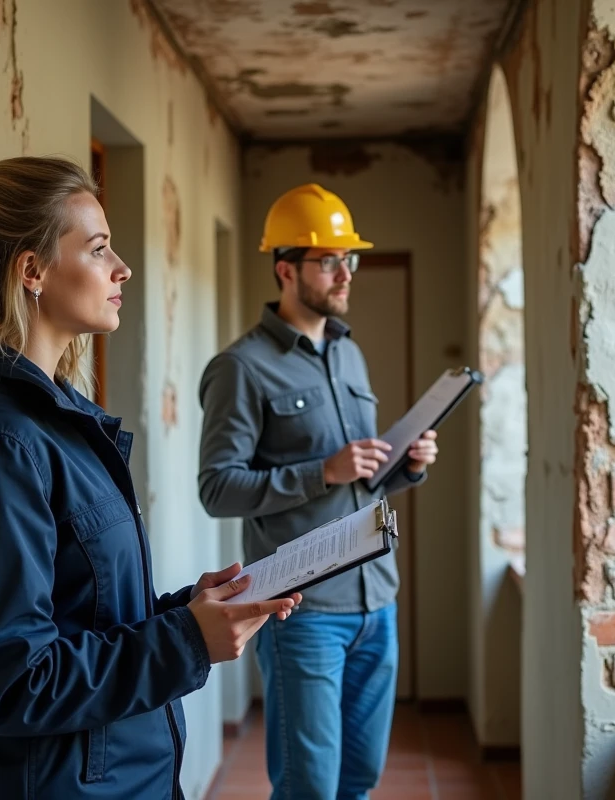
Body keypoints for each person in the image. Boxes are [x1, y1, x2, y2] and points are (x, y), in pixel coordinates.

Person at [0, 155, 300, 800]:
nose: (122, 268)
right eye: (97, 248)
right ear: (32, 271)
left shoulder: (57, 423)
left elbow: (81, 616)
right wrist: (186, 641)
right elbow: (14, 684)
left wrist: (190, 611)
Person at [197, 183, 441, 800]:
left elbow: (360, 474)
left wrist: (405, 465)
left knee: (359, 780)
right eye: (329, 260)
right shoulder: (241, 367)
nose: (345, 273)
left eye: (349, 259)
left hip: (377, 600)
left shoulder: (349, 353)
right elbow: (217, 488)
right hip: (303, 612)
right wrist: (319, 473)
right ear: (286, 269)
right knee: (309, 787)